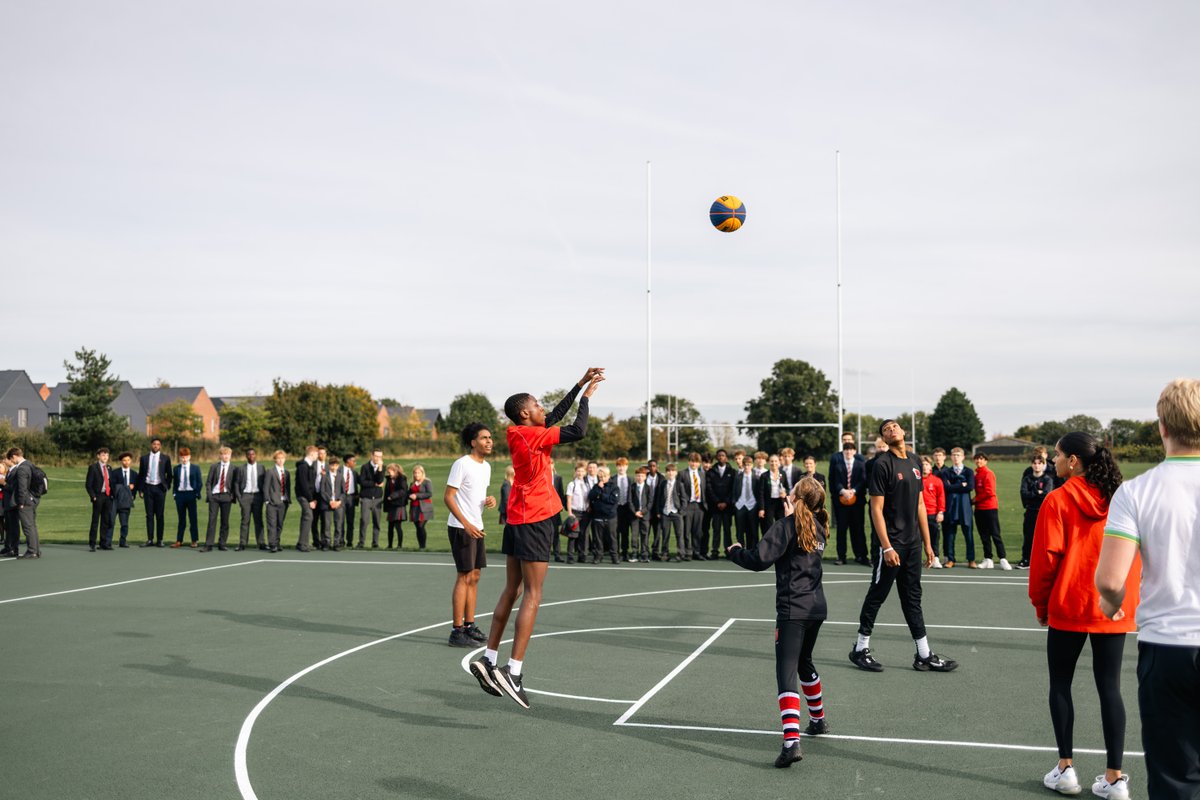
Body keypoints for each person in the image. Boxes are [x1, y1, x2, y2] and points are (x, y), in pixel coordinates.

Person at [470, 368, 603, 707]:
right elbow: (577, 429)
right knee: (533, 594)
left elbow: (554, 417)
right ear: (526, 413)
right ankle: (513, 672)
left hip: (517, 517)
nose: (544, 408)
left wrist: (578, 383)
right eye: (538, 405)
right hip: (536, 517)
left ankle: (488, 659)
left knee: (511, 589)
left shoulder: (519, 432)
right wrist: (587, 397)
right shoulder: (533, 436)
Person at [1097, 378, 1200, 800]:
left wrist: (1112, 604)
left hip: (1168, 648)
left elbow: (1110, 579)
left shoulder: (1136, 491)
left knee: (1175, 778)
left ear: (1161, 427)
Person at [1029, 432, 1136, 799]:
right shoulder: (1122, 499)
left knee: (1060, 683)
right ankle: (1114, 778)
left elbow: (1045, 561)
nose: (1054, 461)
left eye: (1057, 455)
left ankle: (1065, 769)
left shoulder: (1057, 500)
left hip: (1069, 604)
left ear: (1074, 460)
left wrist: (1041, 605)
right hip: (1112, 607)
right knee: (1111, 688)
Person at [728, 477, 832, 769]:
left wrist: (734, 551)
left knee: (786, 672)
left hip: (793, 610)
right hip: (816, 608)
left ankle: (791, 743)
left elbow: (758, 559)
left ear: (797, 499)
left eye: (792, 491)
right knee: (805, 663)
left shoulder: (787, 527)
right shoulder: (819, 527)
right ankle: (818, 720)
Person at [849, 420, 956, 674]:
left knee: (912, 598)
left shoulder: (915, 461)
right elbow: (875, 509)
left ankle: (924, 655)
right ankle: (860, 648)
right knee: (878, 594)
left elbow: (920, 504)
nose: (891, 429)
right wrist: (886, 547)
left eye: (895, 426)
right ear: (884, 440)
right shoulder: (882, 464)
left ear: (903, 432)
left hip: (913, 544)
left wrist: (928, 544)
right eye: (886, 430)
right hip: (891, 544)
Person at [445, 423, 497, 648]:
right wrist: (465, 524)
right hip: (461, 527)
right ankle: (457, 631)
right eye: (484, 438)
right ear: (473, 442)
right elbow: (449, 496)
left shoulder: (486, 467)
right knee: (464, 576)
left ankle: (469, 625)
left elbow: (476, 495)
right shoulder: (461, 464)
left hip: (477, 525)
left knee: (475, 576)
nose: (489, 441)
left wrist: (489, 500)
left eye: (490, 438)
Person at [829, 442, 868, 566]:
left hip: (857, 502)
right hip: (842, 501)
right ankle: (841, 556)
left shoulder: (861, 465)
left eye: (851, 450)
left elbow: (863, 481)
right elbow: (835, 481)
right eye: (846, 450)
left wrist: (854, 490)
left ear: (855, 451)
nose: (848, 452)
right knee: (841, 530)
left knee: (858, 529)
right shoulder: (838, 465)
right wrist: (843, 491)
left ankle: (861, 555)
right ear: (843, 452)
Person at [972, 452, 1011, 570]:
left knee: (995, 534)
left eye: (981, 459)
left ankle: (1003, 558)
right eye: (977, 459)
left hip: (990, 508)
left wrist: (974, 500)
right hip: (979, 509)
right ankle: (988, 559)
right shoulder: (976, 475)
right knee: (984, 535)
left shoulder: (988, 473)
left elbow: (990, 492)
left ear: (985, 461)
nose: (979, 461)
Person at [3, 448, 42, 558]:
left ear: (14, 456)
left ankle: (32, 551)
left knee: (27, 527)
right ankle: (36, 550)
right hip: (32, 499)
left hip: (25, 501)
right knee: (32, 526)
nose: (12, 461)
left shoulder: (22, 468)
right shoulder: (30, 464)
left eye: (11, 458)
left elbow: (22, 487)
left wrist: (20, 502)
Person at [1018, 453, 1054, 569]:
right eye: (1034, 463)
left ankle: (1044, 561)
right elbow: (1024, 493)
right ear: (1031, 465)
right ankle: (1026, 559)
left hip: (1043, 512)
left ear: (1043, 465)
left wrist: (1034, 494)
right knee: (1028, 536)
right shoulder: (1027, 479)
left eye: (1039, 463)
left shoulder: (1048, 479)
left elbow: (1046, 494)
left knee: (1045, 538)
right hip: (1030, 511)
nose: (1037, 466)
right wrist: (1036, 493)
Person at [942, 447, 976, 569]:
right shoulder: (946, 472)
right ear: (950, 457)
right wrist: (961, 484)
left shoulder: (969, 472)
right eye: (954, 455)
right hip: (951, 506)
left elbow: (970, 487)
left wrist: (954, 485)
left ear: (963, 457)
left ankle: (971, 559)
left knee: (968, 534)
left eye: (958, 455)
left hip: (965, 506)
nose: (956, 457)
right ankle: (951, 559)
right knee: (950, 535)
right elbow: (946, 488)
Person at [137, 437, 171, 547]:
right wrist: (140, 489)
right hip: (148, 488)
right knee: (149, 515)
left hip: (160, 488)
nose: (156, 446)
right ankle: (150, 539)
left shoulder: (165, 458)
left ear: (160, 446)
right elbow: (141, 474)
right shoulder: (144, 458)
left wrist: (166, 486)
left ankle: (160, 540)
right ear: (151, 445)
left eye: (158, 444)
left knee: (160, 515)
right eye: (154, 444)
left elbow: (169, 475)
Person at [202, 447, 237, 552]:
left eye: (227, 454)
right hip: (215, 496)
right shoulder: (214, 467)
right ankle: (208, 544)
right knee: (212, 520)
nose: (225, 456)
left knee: (225, 521)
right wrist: (210, 495)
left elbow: (236, 484)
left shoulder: (234, 468)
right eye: (223, 454)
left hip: (227, 496)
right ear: (220, 456)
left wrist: (232, 496)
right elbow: (208, 482)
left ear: (230, 456)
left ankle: (222, 543)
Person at [706, 449, 736, 559]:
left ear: (726, 457)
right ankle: (715, 551)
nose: (721, 457)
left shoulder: (732, 472)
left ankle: (728, 551)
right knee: (716, 530)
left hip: (727, 507)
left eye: (723, 455)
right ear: (716, 457)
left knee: (727, 530)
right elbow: (709, 488)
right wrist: (718, 502)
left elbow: (733, 489)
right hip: (715, 507)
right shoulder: (711, 471)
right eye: (719, 456)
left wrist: (726, 502)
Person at [654, 463, 687, 561]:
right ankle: (665, 553)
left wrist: (681, 511)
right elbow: (659, 498)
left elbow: (684, 499)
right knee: (665, 534)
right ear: (666, 473)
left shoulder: (679, 484)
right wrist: (659, 511)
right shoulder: (663, 484)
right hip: (665, 513)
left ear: (676, 473)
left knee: (679, 534)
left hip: (676, 512)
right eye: (668, 471)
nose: (670, 473)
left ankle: (681, 554)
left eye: (672, 471)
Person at [587, 466, 620, 564]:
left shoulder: (614, 487)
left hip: (610, 517)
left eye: (604, 476)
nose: (602, 479)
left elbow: (613, 500)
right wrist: (598, 489)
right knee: (598, 539)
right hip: (598, 517)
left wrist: (601, 495)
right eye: (600, 477)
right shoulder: (596, 486)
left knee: (612, 538)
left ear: (608, 476)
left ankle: (614, 557)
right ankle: (598, 556)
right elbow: (591, 496)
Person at [235, 448, 266, 552]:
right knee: (245, 520)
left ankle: (261, 543)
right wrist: (240, 498)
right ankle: (243, 543)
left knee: (258, 521)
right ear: (246, 456)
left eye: (253, 454)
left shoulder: (261, 467)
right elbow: (236, 483)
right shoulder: (241, 468)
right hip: (246, 496)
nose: (251, 456)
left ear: (256, 455)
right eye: (249, 454)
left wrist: (264, 497)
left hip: (258, 496)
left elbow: (265, 484)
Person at [86, 448, 116, 551]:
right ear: (98, 456)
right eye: (103, 455)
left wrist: (112, 495)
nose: (105, 457)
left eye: (107, 455)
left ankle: (103, 543)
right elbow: (88, 485)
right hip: (98, 497)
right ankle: (92, 543)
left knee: (105, 520)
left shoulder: (109, 468)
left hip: (107, 497)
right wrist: (93, 496)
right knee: (95, 520)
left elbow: (111, 482)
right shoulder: (93, 467)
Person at [171, 448, 202, 548]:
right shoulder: (176, 469)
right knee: (181, 519)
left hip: (191, 494)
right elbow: (175, 483)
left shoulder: (195, 468)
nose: (184, 459)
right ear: (180, 458)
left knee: (193, 518)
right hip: (180, 495)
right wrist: (175, 494)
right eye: (182, 457)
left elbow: (199, 482)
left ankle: (194, 540)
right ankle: (179, 540)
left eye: (186, 457)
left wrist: (196, 493)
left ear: (189, 457)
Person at [919, 456, 945, 569]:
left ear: (931, 467)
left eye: (927, 464)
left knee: (934, 537)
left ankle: (936, 559)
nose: (925, 467)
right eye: (923, 464)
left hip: (932, 513)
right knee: (917, 538)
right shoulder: (916, 480)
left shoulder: (936, 480)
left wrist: (941, 512)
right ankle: (916, 559)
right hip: (918, 514)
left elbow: (941, 497)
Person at [757, 454, 789, 541]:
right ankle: (768, 547)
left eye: (776, 461)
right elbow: (761, 493)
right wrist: (761, 508)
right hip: (769, 504)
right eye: (771, 461)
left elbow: (788, 488)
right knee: (768, 527)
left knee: (781, 526)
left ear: (779, 462)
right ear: (768, 462)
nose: (773, 463)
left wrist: (785, 493)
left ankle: (781, 547)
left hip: (780, 504)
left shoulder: (783, 474)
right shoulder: (764, 476)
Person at [263, 450, 290, 553]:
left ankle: (277, 542)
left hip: (283, 502)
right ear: (275, 459)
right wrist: (267, 501)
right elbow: (266, 487)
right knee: (272, 524)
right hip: (272, 503)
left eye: (282, 458)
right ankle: (272, 544)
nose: (280, 460)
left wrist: (287, 500)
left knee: (280, 524)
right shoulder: (270, 471)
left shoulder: (286, 472)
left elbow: (287, 487)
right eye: (278, 458)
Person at [682, 452, 707, 561]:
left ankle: (697, 552)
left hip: (699, 506)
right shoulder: (682, 474)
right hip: (688, 505)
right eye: (692, 461)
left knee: (697, 531)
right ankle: (688, 552)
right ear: (689, 462)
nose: (694, 464)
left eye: (696, 462)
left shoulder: (702, 474)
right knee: (687, 531)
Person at [358, 449, 386, 548]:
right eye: (376, 456)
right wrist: (374, 484)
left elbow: (380, 480)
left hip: (377, 499)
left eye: (380, 456)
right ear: (372, 456)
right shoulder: (365, 467)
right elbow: (362, 482)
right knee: (364, 521)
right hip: (366, 498)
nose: (378, 458)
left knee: (377, 522)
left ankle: (375, 543)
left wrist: (380, 468)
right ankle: (361, 542)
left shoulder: (382, 467)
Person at [318, 456, 347, 550]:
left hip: (338, 504)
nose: (334, 467)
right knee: (326, 524)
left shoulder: (340, 476)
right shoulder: (325, 476)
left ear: (338, 466)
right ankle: (326, 542)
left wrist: (339, 501)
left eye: (336, 465)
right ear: (329, 465)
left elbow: (343, 492)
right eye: (332, 465)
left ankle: (337, 543)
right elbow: (322, 491)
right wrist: (330, 501)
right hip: (327, 504)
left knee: (338, 524)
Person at [294, 446, 319, 552]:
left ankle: (302, 542)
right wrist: (310, 499)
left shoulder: (309, 466)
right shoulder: (303, 467)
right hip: (303, 496)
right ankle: (302, 544)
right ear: (312, 454)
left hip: (307, 496)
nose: (318, 456)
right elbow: (304, 484)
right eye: (317, 454)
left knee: (307, 518)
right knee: (308, 517)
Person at [564, 464, 589, 564]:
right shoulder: (572, 484)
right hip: (575, 513)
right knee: (573, 535)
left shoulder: (587, 484)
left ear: (585, 472)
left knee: (583, 535)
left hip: (585, 513)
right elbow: (569, 499)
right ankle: (570, 556)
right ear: (575, 472)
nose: (580, 473)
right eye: (578, 471)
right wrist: (570, 512)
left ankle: (581, 555)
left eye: (582, 471)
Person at [112, 452, 138, 548]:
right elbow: (114, 487)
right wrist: (127, 487)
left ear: (131, 461)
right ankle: (107, 541)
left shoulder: (134, 474)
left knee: (124, 523)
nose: (126, 462)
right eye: (124, 460)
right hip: (115, 501)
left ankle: (122, 541)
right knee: (111, 522)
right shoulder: (115, 473)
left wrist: (133, 496)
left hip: (126, 502)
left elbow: (135, 488)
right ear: (121, 461)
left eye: (128, 460)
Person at [733, 456, 759, 548]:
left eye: (749, 465)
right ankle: (740, 550)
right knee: (740, 530)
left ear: (752, 465)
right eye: (745, 465)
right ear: (743, 465)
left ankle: (753, 549)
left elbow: (759, 492)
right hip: (740, 505)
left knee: (753, 530)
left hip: (752, 505)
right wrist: (735, 503)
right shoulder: (738, 477)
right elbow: (734, 491)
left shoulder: (756, 477)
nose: (747, 467)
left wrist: (758, 505)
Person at [628, 466, 652, 562]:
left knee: (644, 535)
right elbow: (629, 501)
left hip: (645, 516)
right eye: (638, 476)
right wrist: (635, 512)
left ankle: (644, 554)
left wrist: (643, 511)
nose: (640, 478)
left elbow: (650, 502)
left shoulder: (648, 488)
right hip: (634, 516)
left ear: (645, 477)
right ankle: (634, 553)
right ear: (635, 476)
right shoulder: (632, 487)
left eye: (642, 476)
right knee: (634, 535)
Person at [407, 464, 432, 551]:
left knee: (421, 526)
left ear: (422, 473)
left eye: (418, 473)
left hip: (424, 508)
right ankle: (420, 546)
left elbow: (429, 494)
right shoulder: (412, 483)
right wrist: (409, 496)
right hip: (414, 507)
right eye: (415, 473)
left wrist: (416, 495)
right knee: (417, 526)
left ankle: (423, 546)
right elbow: (408, 493)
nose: (416, 475)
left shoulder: (427, 482)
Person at [384, 464, 408, 549]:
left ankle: (399, 545)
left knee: (398, 525)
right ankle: (389, 545)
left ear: (395, 471)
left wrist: (393, 496)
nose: (389, 473)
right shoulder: (389, 479)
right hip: (391, 506)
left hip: (399, 505)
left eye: (390, 471)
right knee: (390, 526)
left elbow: (403, 491)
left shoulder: (402, 479)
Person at [341, 454, 359, 543]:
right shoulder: (339, 471)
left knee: (350, 520)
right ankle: (340, 540)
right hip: (341, 497)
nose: (355, 463)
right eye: (353, 461)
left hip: (351, 498)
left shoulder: (354, 472)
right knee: (340, 520)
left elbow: (362, 481)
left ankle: (349, 541)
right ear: (348, 461)